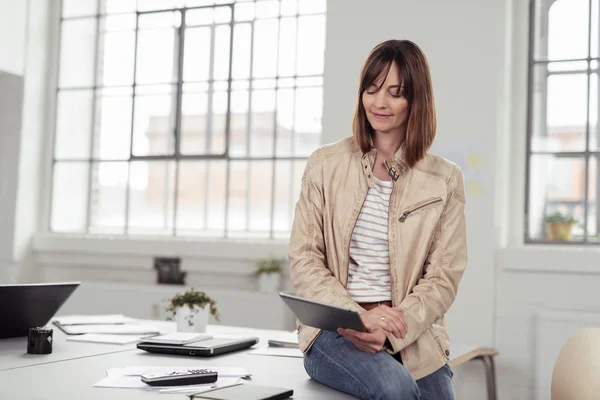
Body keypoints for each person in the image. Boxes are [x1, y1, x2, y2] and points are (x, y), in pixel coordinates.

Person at [288, 39, 467, 400]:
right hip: (334, 328)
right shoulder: (325, 165)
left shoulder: (444, 179)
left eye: (394, 92)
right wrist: (358, 315)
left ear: (416, 99)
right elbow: (304, 258)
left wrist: (392, 326)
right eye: (371, 89)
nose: (379, 102)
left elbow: (444, 276)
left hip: (409, 331)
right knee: (394, 387)